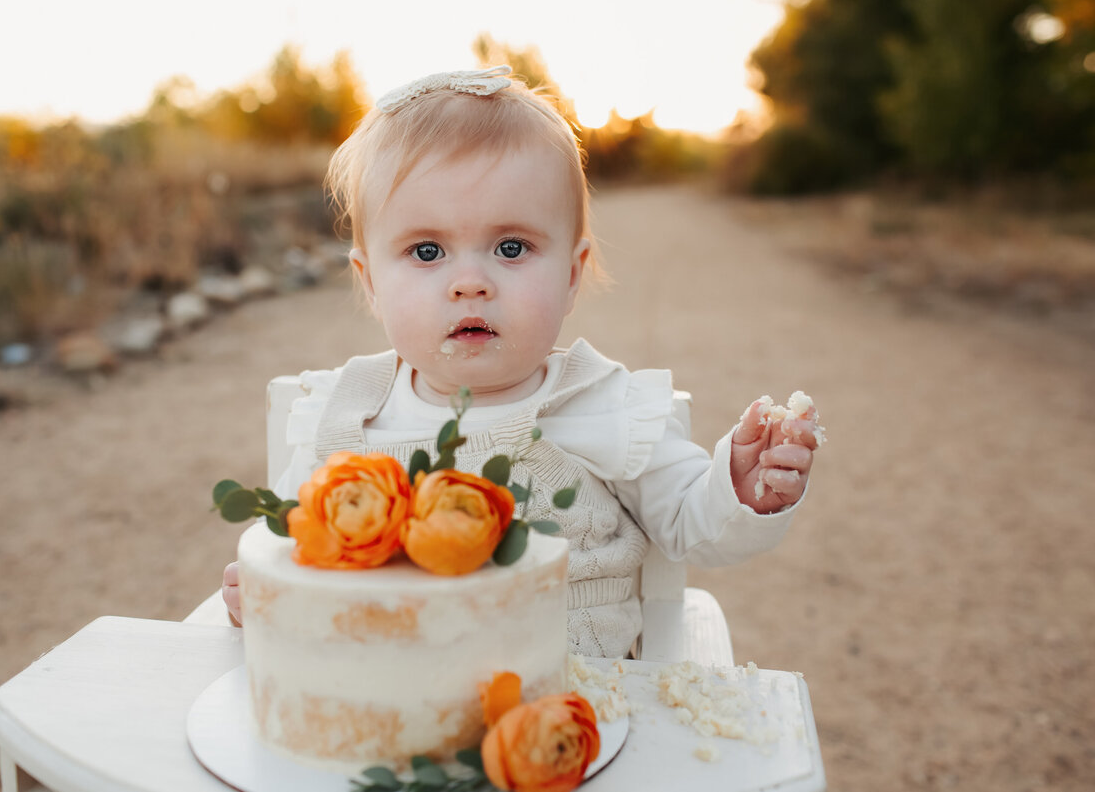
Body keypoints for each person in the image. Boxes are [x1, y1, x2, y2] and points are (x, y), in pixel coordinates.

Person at [221, 65, 823, 658]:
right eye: (426, 251)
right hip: (390, 700)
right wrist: (268, 591)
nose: (469, 282)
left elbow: (692, 525)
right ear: (371, 281)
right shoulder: (346, 414)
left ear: (570, 275)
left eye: (511, 248)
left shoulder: (603, 404)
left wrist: (735, 490)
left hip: (574, 706)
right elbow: (290, 544)